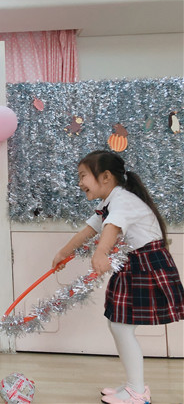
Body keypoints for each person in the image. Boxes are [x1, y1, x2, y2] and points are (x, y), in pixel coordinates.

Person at [52, 150, 184, 404]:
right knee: (118, 326)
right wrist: (62, 253)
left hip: (147, 265)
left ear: (105, 177)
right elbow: (89, 230)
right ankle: (134, 385)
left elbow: (112, 228)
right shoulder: (108, 203)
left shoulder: (122, 200)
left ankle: (137, 392)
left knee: (122, 328)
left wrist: (101, 253)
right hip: (133, 265)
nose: (79, 183)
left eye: (83, 176)